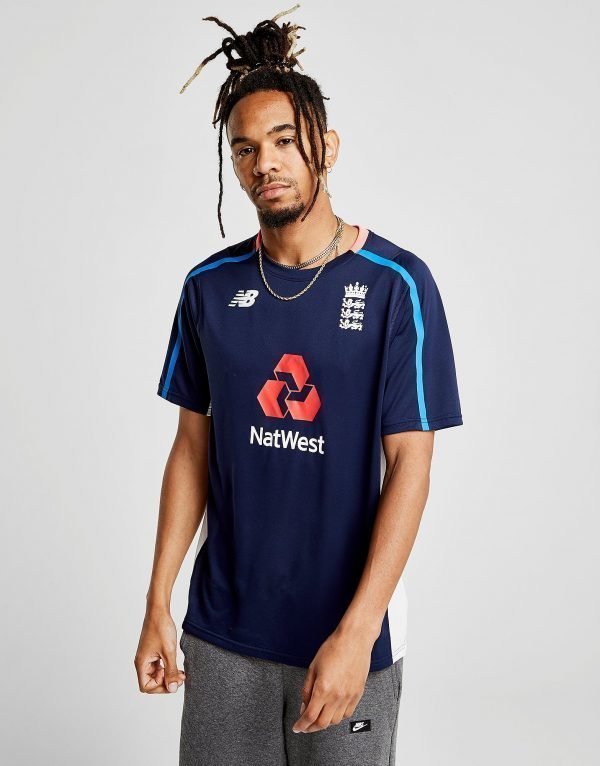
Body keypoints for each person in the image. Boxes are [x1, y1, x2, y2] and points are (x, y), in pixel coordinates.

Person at [134, 5, 463, 765]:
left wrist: (358, 632)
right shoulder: (208, 287)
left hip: (345, 635)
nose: (266, 164)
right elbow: (191, 450)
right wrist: (157, 601)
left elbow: (411, 464)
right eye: (245, 149)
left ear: (327, 146)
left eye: (284, 141)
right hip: (224, 633)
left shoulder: (397, 285)